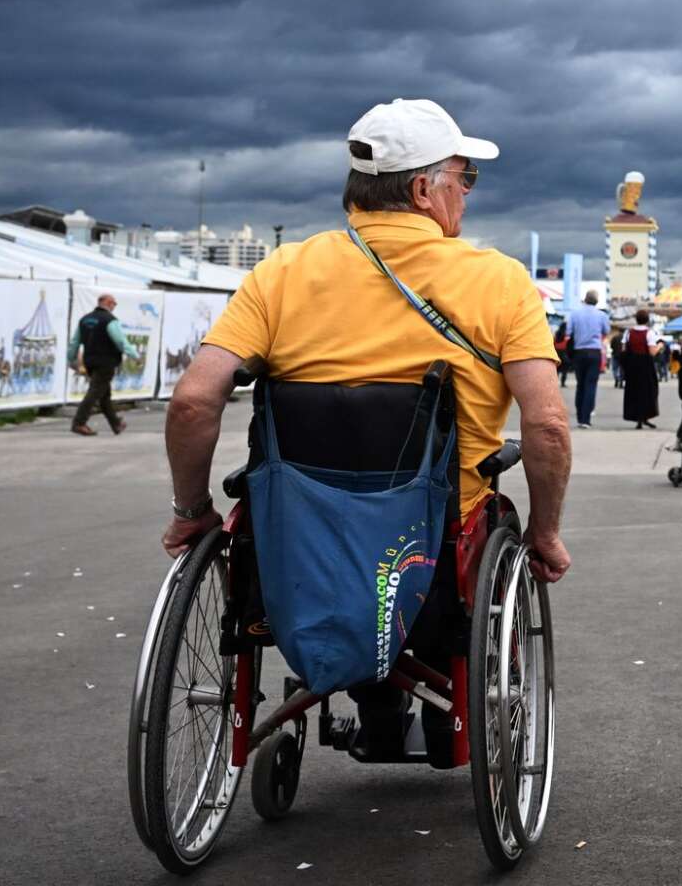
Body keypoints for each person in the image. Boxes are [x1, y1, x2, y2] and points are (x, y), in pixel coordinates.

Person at [159, 98, 573, 753]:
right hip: (433, 558)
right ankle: (442, 710)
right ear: (421, 189)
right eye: (463, 178)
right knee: (480, 518)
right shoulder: (498, 283)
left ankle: (372, 700)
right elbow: (546, 424)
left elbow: (192, 401)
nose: (466, 193)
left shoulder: (282, 273)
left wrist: (190, 509)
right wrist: (546, 531)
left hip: (295, 549)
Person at [68, 291, 142, 436]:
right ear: (108, 303)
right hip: (106, 362)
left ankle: (116, 424)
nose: (115, 306)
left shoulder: (84, 320)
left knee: (104, 394)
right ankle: (79, 422)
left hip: (90, 362)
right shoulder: (110, 320)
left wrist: (71, 359)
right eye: (114, 303)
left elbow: (74, 342)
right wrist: (135, 356)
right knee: (95, 392)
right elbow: (121, 341)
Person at [563, 291, 610, 429]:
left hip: (579, 352)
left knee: (580, 384)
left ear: (585, 299)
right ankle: (586, 419)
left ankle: (579, 417)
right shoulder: (602, 315)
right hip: (594, 352)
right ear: (596, 301)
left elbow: (568, 333)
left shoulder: (575, 314)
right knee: (591, 385)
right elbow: (606, 331)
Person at [619, 309, 661, 429]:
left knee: (634, 391)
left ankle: (637, 418)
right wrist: (660, 346)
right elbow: (652, 352)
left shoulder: (628, 332)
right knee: (648, 391)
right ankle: (645, 416)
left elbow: (623, 349)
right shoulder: (650, 333)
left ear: (636, 319)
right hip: (645, 365)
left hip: (632, 365)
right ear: (647, 320)